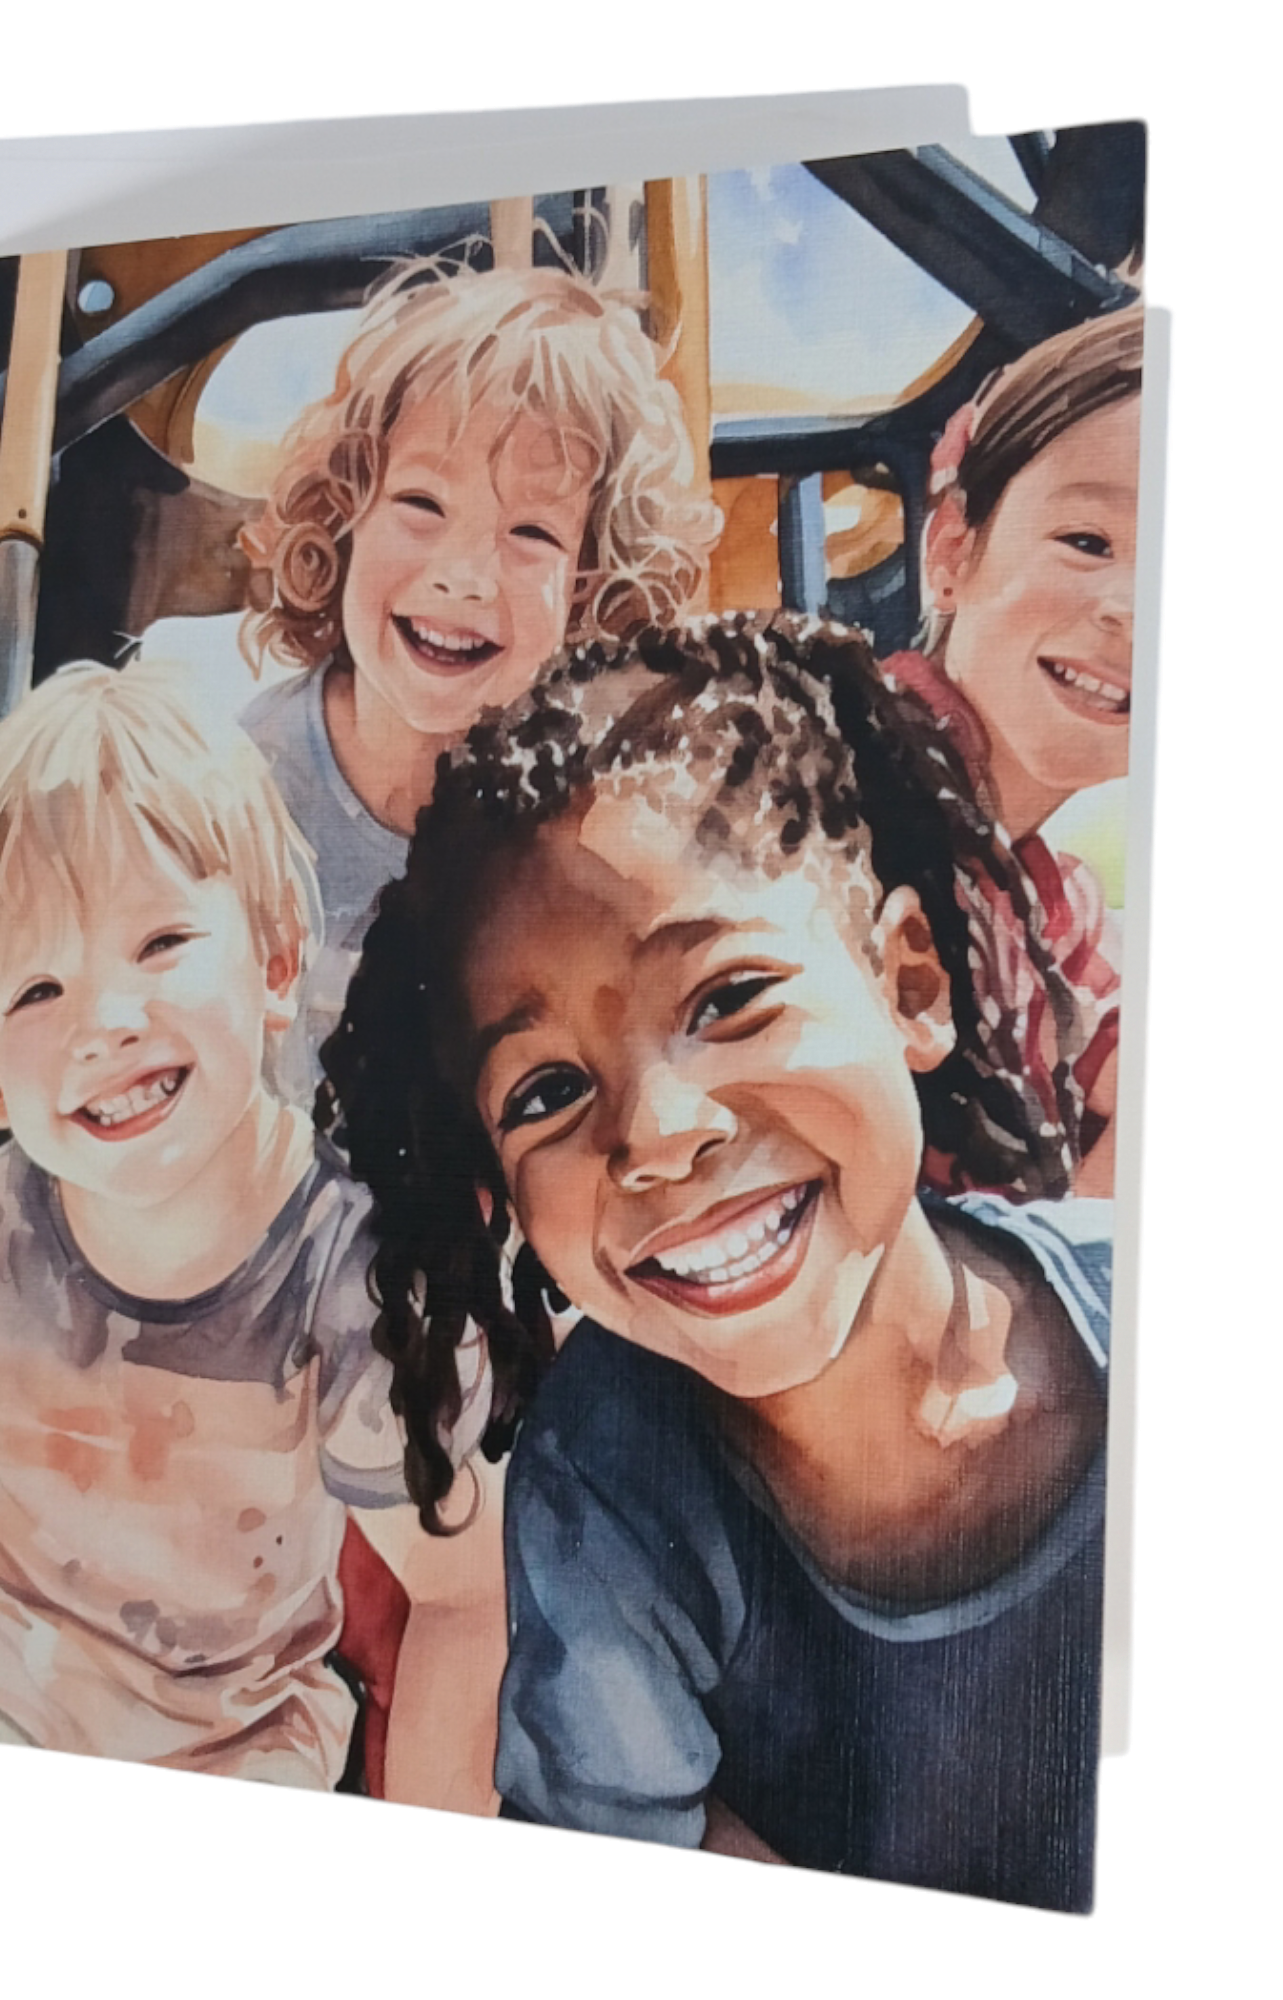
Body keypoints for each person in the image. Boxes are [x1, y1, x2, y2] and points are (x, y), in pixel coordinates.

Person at [321, 617, 1110, 1910]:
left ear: (908, 983)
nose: (659, 1135)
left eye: (727, 997)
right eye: (550, 1091)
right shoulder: (607, 1479)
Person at [0, 659, 503, 1809]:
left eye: (159, 944)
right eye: (39, 990)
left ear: (278, 963)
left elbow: (461, 1597)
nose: (104, 1022)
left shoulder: (355, 1287)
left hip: (232, 1739)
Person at [238, 257, 719, 1066]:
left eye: (532, 534)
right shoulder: (238, 792)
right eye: (421, 504)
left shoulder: (581, 822)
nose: (463, 572)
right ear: (345, 515)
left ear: (587, 591)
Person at [891, 305, 1142, 1195]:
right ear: (953, 548)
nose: (1132, 608)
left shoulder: (1050, 901)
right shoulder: (838, 792)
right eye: (1088, 542)